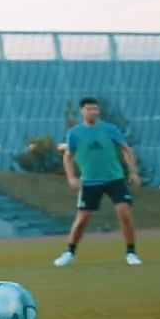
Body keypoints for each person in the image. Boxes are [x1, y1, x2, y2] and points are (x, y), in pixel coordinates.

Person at [55, 97, 143, 266]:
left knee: (124, 214)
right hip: (90, 181)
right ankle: (69, 252)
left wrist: (133, 171)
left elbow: (125, 149)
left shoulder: (110, 129)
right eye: (89, 109)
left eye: (95, 109)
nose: (92, 112)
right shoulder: (75, 133)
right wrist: (71, 177)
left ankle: (131, 252)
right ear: (82, 111)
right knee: (82, 219)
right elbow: (68, 156)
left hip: (114, 179)